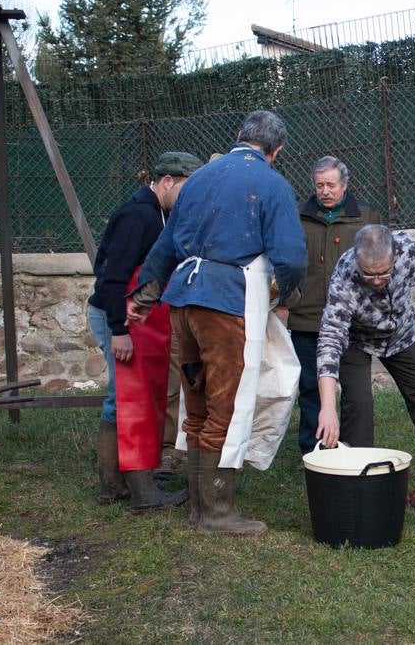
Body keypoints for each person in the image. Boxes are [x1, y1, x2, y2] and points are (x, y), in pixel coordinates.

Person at [127, 110, 307, 536]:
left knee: (198, 399)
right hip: (227, 304)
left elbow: (167, 244)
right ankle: (216, 512)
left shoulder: (202, 177)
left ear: (238, 137)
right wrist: (288, 294)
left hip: (184, 302)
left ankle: (199, 502)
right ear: (275, 151)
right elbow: (291, 257)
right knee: (227, 402)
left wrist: (143, 295)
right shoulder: (271, 184)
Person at [87, 151, 201, 512]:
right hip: (120, 316)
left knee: (126, 397)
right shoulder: (140, 215)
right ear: (167, 181)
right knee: (126, 398)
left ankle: (119, 481)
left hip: (132, 318)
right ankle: (135, 489)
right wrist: (119, 329)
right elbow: (110, 276)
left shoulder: (157, 213)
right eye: (186, 188)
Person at [314, 224, 415, 468]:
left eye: (383, 273)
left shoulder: (408, 247)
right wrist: (328, 409)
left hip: (402, 334)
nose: (375, 281)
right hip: (357, 340)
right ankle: (357, 467)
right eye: (368, 274)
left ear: (394, 255)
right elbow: (330, 339)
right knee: (358, 404)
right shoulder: (344, 276)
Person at [287, 156, 382, 455]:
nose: (325, 191)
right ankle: (314, 449)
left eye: (331, 185)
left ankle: (352, 448)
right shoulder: (297, 216)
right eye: (319, 185)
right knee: (311, 387)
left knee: (355, 391)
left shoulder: (366, 216)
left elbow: (380, 259)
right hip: (307, 317)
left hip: (352, 321)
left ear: (345, 185)